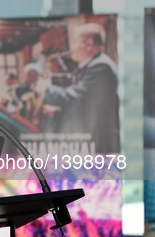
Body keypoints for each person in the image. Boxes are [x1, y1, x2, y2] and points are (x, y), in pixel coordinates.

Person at [39, 22, 120, 154]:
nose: (72, 47)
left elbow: (76, 98)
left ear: (88, 44)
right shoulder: (93, 65)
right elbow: (86, 105)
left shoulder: (101, 67)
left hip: (98, 147)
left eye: (75, 42)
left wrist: (46, 90)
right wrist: (57, 112)